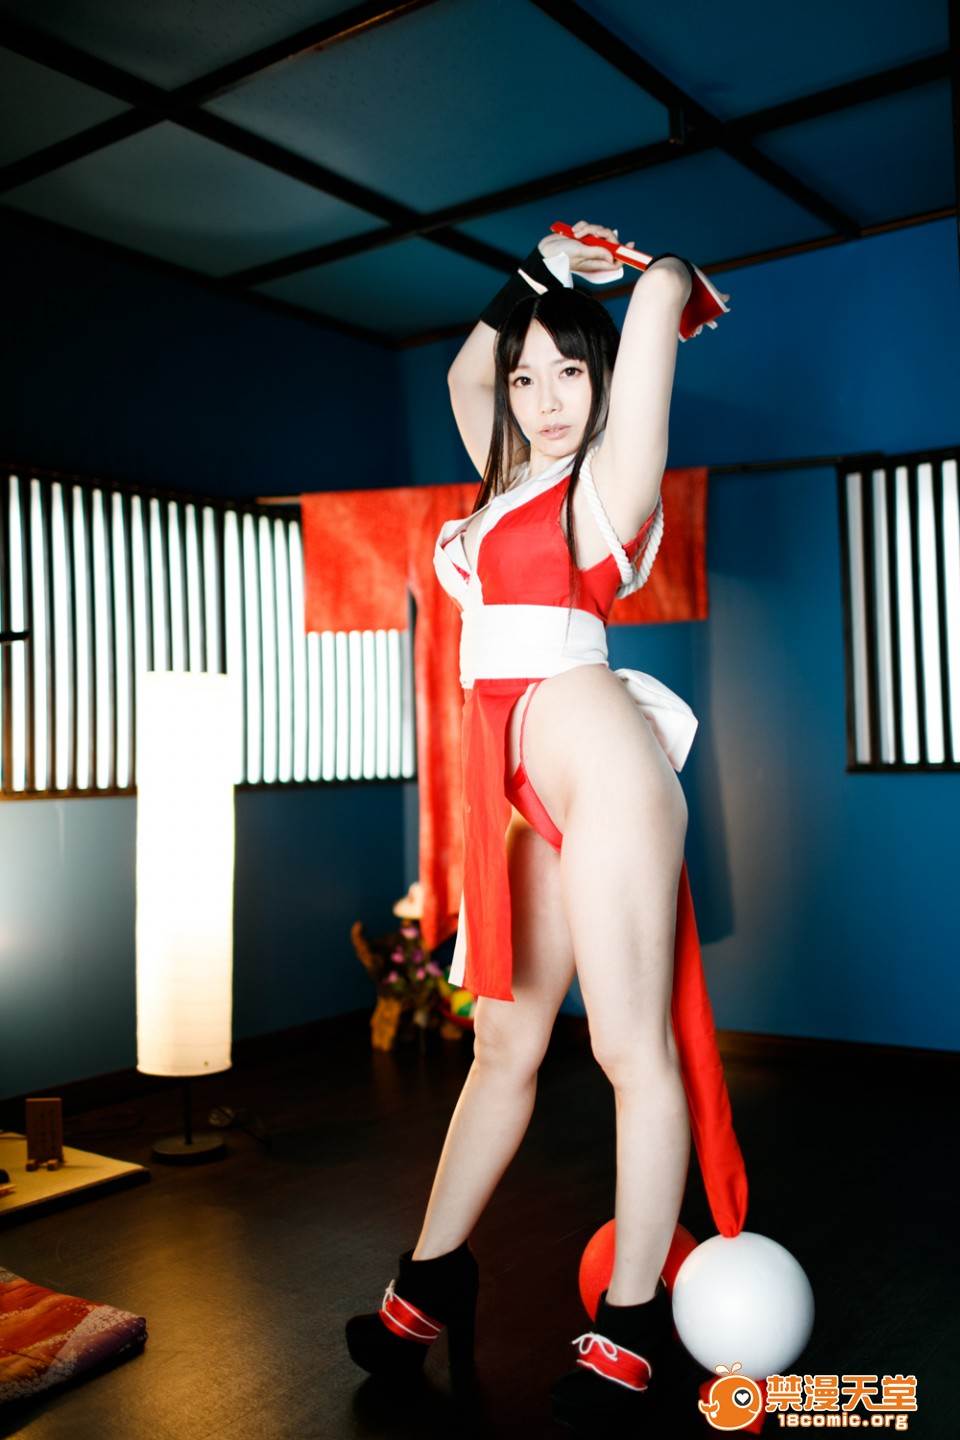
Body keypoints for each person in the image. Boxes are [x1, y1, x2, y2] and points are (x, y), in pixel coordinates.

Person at [346, 221, 734, 1426]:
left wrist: (653, 280)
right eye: (531, 377)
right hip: (517, 788)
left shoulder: (608, 480)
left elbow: (660, 302)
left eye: (571, 371)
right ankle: (431, 1278)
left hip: (601, 763)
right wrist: (536, 269)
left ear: (604, 382)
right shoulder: (505, 475)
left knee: (628, 1050)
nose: (545, 396)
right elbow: (464, 376)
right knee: (502, 1049)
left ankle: (630, 1325)